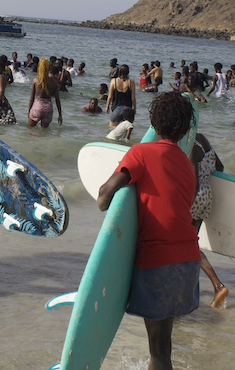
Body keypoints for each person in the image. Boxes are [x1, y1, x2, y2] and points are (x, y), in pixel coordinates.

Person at [97, 92, 200, 369]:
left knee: (158, 353)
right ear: (184, 128)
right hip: (189, 261)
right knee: (163, 346)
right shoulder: (186, 164)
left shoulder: (141, 152)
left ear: (153, 122)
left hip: (159, 263)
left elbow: (103, 197)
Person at [190, 133, 229, 308]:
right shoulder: (202, 139)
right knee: (191, 246)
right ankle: (190, 289)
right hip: (207, 195)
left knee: (188, 245)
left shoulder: (190, 145)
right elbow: (219, 167)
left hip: (193, 197)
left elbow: (193, 182)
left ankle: (217, 285)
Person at [27, 58, 63, 127]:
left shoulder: (36, 80)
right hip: (48, 107)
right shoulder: (54, 83)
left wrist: (29, 111)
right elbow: (57, 100)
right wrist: (60, 115)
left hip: (38, 105)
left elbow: (32, 98)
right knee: (44, 132)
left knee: (30, 129)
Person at [106, 64, 136, 129]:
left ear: (119, 71)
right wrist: (135, 108)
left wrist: (107, 106)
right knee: (125, 133)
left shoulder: (114, 81)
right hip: (128, 111)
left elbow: (110, 96)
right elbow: (133, 98)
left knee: (113, 132)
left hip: (116, 109)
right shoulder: (131, 82)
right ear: (128, 72)